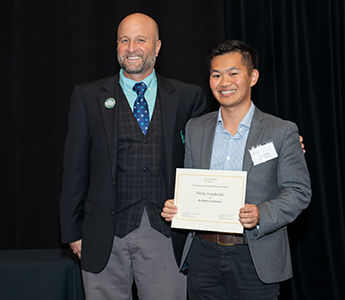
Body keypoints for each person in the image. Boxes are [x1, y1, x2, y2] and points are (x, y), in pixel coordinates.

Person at [59, 13, 207, 300]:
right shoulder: (87, 96)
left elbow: (210, 150)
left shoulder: (188, 97)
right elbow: (74, 168)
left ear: (158, 46)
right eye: (124, 40)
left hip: (165, 233)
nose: (131, 48)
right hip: (102, 233)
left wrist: (275, 140)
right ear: (116, 46)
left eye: (140, 40)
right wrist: (72, 231)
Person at [162, 40, 312, 300]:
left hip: (255, 255)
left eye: (233, 73)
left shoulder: (281, 131)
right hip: (203, 254)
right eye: (216, 75)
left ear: (252, 77)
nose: (224, 82)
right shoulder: (195, 129)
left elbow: (298, 192)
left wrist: (261, 214)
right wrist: (178, 207)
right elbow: (192, 185)